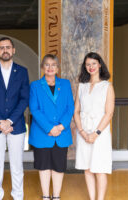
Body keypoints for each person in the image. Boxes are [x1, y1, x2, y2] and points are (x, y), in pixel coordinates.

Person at [0, 37, 30, 200]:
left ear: (13, 50)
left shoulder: (22, 71)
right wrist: (0, 122)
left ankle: (18, 196)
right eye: (2, 47)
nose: (5, 50)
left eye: (8, 47)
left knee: (17, 165)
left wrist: (9, 121)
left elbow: (24, 99)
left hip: (15, 126)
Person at [29, 54, 74, 200]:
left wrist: (60, 127)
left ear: (57, 68)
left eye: (53, 65)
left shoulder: (65, 84)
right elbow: (34, 109)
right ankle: (45, 196)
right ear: (43, 67)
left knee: (59, 166)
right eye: (47, 65)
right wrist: (50, 128)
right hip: (42, 134)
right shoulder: (35, 85)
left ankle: (56, 196)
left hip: (62, 133)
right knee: (44, 166)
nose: (50, 68)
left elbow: (70, 107)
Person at [74, 52, 114, 200]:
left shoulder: (107, 86)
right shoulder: (82, 86)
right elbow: (76, 111)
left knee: (100, 168)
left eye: (93, 63)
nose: (91, 67)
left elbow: (109, 113)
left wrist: (96, 133)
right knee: (88, 168)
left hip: (100, 132)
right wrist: (83, 132)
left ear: (99, 65)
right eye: (88, 64)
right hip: (83, 131)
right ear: (85, 67)